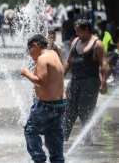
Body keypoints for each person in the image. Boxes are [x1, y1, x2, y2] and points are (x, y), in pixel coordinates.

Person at [21, 34, 67, 163]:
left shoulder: (42, 58)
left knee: (30, 130)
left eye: (29, 50)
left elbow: (41, 81)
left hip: (46, 105)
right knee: (53, 132)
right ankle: (58, 159)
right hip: (59, 104)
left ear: (35, 45)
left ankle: (39, 159)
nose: (30, 55)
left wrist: (26, 72)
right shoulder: (53, 54)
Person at [63, 19, 108, 144]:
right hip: (75, 80)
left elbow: (104, 64)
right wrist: (61, 77)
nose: (77, 34)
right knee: (69, 109)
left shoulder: (97, 44)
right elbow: (68, 62)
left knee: (85, 110)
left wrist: (103, 83)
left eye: (79, 31)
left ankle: (87, 139)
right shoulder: (76, 41)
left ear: (87, 30)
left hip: (90, 82)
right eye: (76, 31)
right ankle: (62, 136)